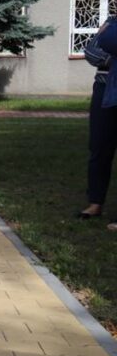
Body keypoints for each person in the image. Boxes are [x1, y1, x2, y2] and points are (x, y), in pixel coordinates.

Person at [81, 16, 117, 225]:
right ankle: (95, 203)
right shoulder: (111, 23)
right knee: (99, 147)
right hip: (103, 90)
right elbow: (90, 52)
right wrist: (112, 60)